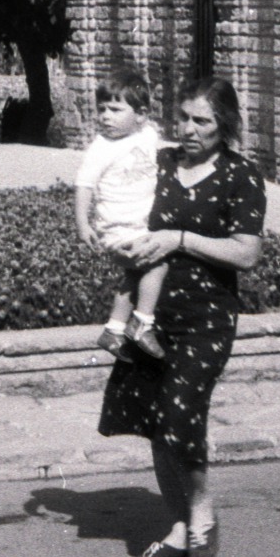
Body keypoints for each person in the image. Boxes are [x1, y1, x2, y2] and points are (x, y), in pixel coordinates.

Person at [98, 76, 265, 557]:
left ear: (225, 125)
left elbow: (247, 253)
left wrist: (180, 239)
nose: (189, 129)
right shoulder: (163, 163)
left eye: (203, 121)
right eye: (184, 118)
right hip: (150, 318)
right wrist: (119, 241)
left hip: (206, 318)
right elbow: (130, 208)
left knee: (179, 418)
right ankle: (179, 524)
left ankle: (202, 510)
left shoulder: (241, 175)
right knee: (155, 422)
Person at [74, 69, 168, 360]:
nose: (105, 116)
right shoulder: (100, 148)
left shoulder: (149, 136)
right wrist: (82, 223)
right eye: (101, 109)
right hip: (117, 227)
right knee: (158, 264)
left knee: (134, 275)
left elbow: (166, 155)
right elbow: (84, 185)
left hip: (140, 225)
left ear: (141, 115)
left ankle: (113, 330)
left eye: (115, 109)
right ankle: (142, 323)